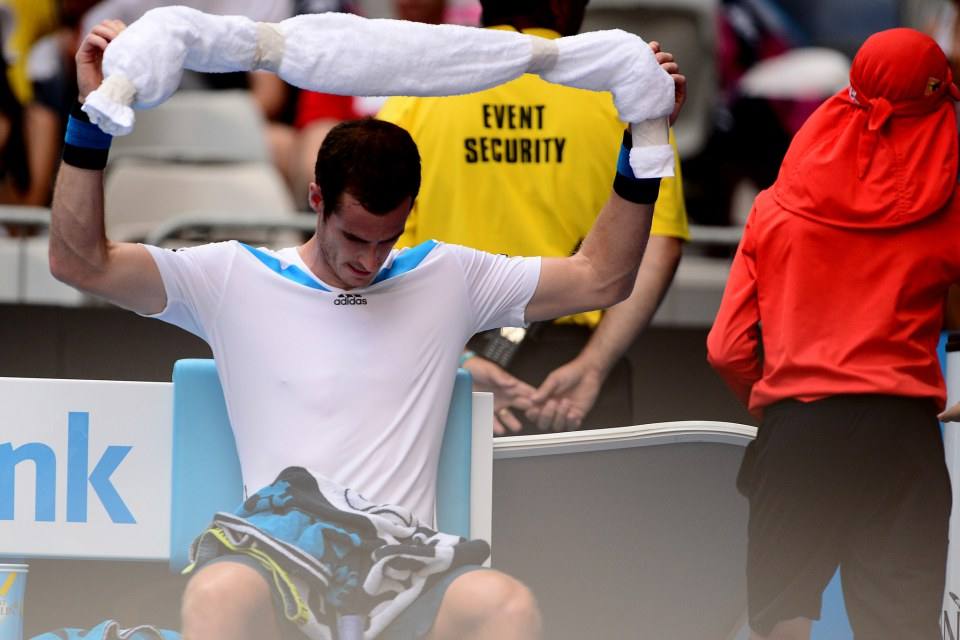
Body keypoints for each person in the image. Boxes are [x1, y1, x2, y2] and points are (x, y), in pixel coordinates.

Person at [50, 18, 684, 640]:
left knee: (505, 606)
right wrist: (91, 119)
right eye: (354, 236)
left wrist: (645, 133)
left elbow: (603, 278)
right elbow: (80, 262)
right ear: (316, 198)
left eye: (388, 240)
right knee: (218, 592)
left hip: (403, 563)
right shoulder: (232, 276)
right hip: (277, 559)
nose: (368, 260)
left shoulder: (448, 276)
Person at [706, 28, 960, 640]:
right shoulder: (949, 213)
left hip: (799, 432)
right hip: (903, 441)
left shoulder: (777, 207)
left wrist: (784, 408)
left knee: (782, 623)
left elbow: (727, 348)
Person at [378, 0, 689, 434]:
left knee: (450, 503)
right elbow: (660, 244)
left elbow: (386, 251)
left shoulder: (423, 91)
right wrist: (594, 366)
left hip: (448, 355)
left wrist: (456, 361)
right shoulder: (621, 93)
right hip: (574, 369)